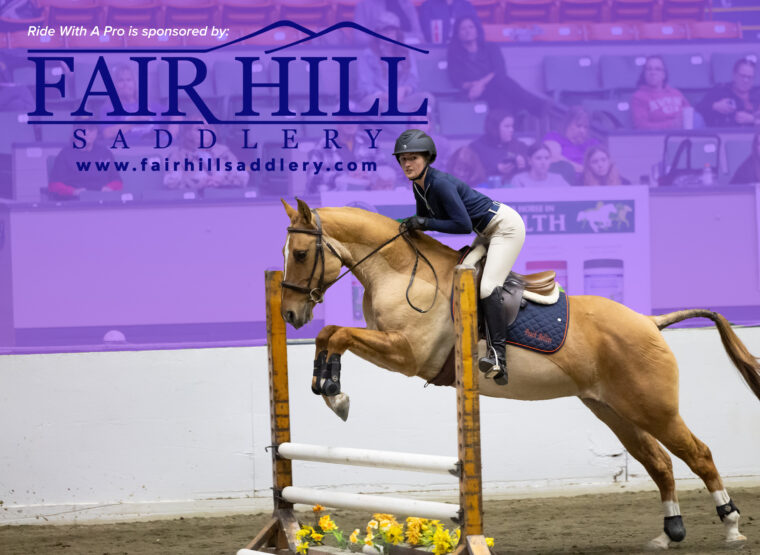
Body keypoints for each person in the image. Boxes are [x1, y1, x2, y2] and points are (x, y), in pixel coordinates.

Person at [394, 129, 526, 384]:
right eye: (403, 159)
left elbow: (462, 225)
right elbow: (423, 222)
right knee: (462, 274)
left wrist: (422, 222)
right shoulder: (419, 186)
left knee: (488, 286)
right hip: (486, 232)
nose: (407, 164)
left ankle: (498, 357)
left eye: (413, 158)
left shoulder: (440, 183)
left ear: (427, 158)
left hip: (505, 227)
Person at [446, 16, 546, 116]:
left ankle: (522, 114)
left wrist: (480, 84)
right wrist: (473, 85)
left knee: (501, 86)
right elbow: (457, 81)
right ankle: (537, 107)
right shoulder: (454, 53)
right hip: (473, 92)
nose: (468, 31)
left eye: (471, 27)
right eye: (463, 28)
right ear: (457, 34)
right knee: (504, 92)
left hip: (493, 86)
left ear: (477, 30)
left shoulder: (491, 47)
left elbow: (500, 71)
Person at [357, 12, 426, 113]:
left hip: (402, 98)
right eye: (385, 30)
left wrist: (404, 89)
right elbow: (364, 86)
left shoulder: (406, 52)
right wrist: (384, 95)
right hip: (379, 98)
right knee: (372, 102)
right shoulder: (368, 54)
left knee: (427, 99)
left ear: (398, 32)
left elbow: (413, 80)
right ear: (377, 32)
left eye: (393, 29)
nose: (389, 33)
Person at [48, 120, 123, 199]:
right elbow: (53, 185)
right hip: (75, 200)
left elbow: (118, 182)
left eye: (91, 129)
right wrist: (73, 192)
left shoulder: (105, 153)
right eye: (82, 129)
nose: (87, 132)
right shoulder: (65, 154)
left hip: (103, 198)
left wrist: (109, 188)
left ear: (96, 132)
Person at [163, 122, 248, 191]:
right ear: (188, 134)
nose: (204, 132)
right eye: (198, 129)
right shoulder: (178, 156)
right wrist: (198, 184)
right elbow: (171, 183)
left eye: (208, 128)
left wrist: (223, 181)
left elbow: (243, 178)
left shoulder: (224, 153)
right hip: (194, 204)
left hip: (224, 201)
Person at [631, 56, 691, 131]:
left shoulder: (676, 93)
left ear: (664, 74)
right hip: (656, 137)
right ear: (644, 74)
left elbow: (690, 116)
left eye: (658, 69)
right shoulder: (638, 97)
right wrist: (671, 125)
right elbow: (641, 126)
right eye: (649, 69)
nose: (653, 72)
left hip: (681, 135)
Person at [469, 108, 528, 184]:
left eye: (512, 126)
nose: (511, 130)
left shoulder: (519, 146)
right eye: (507, 126)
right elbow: (470, 173)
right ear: (494, 128)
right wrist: (497, 169)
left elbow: (532, 168)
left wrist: (524, 162)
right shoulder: (476, 148)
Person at [697, 58, 760, 127]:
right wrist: (715, 106)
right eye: (742, 76)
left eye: (750, 77)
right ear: (734, 75)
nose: (746, 80)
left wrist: (753, 120)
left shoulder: (758, 94)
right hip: (725, 132)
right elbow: (698, 108)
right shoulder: (721, 90)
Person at [543, 106, 600, 172]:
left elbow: (601, 165)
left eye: (586, 127)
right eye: (579, 125)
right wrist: (584, 170)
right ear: (568, 124)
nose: (582, 131)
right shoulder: (553, 137)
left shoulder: (592, 144)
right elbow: (554, 159)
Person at [355, 0, 423, 44]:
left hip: (408, 51)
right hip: (376, 55)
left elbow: (419, 36)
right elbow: (359, 38)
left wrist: (398, 38)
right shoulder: (364, 5)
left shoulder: (407, 4)